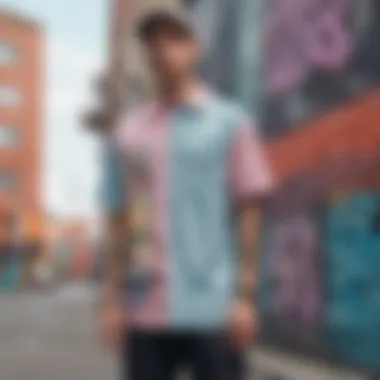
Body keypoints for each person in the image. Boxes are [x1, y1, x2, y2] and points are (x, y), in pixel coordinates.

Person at [99, 8, 274, 380]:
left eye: (173, 39)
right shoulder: (128, 134)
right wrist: (112, 300)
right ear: (146, 54)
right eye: (152, 42)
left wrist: (244, 297)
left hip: (212, 307)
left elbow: (250, 209)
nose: (162, 49)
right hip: (144, 308)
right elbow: (120, 220)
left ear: (194, 48)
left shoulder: (229, 122)